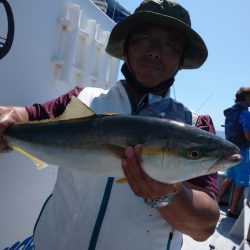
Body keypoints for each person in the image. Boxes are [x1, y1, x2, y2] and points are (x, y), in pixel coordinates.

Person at [0, 1, 220, 249]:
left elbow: (204, 227)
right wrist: (8, 119)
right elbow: (28, 115)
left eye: (171, 45)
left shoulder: (194, 128)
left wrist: (167, 194)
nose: (156, 51)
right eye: (145, 39)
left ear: (180, 60)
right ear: (126, 48)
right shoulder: (82, 99)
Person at [219, 87, 250, 218]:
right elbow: (248, 136)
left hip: (230, 150)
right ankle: (232, 210)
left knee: (230, 176)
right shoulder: (245, 113)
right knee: (241, 181)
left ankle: (215, 200)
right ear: (246, 98)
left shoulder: (230, 112)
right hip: (242, 151)